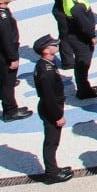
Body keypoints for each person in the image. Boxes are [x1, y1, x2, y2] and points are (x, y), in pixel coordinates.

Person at [31, 34, 71, 183]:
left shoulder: (46, 64)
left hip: (52, 106)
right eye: (54, 45)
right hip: (51, 109)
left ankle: (54, 168)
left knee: (53, 141)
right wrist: (57, 116)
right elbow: (48, 97)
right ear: (46, 50)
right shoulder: (46, 71)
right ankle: (52, 173)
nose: (57, 46)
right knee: (51, 142)